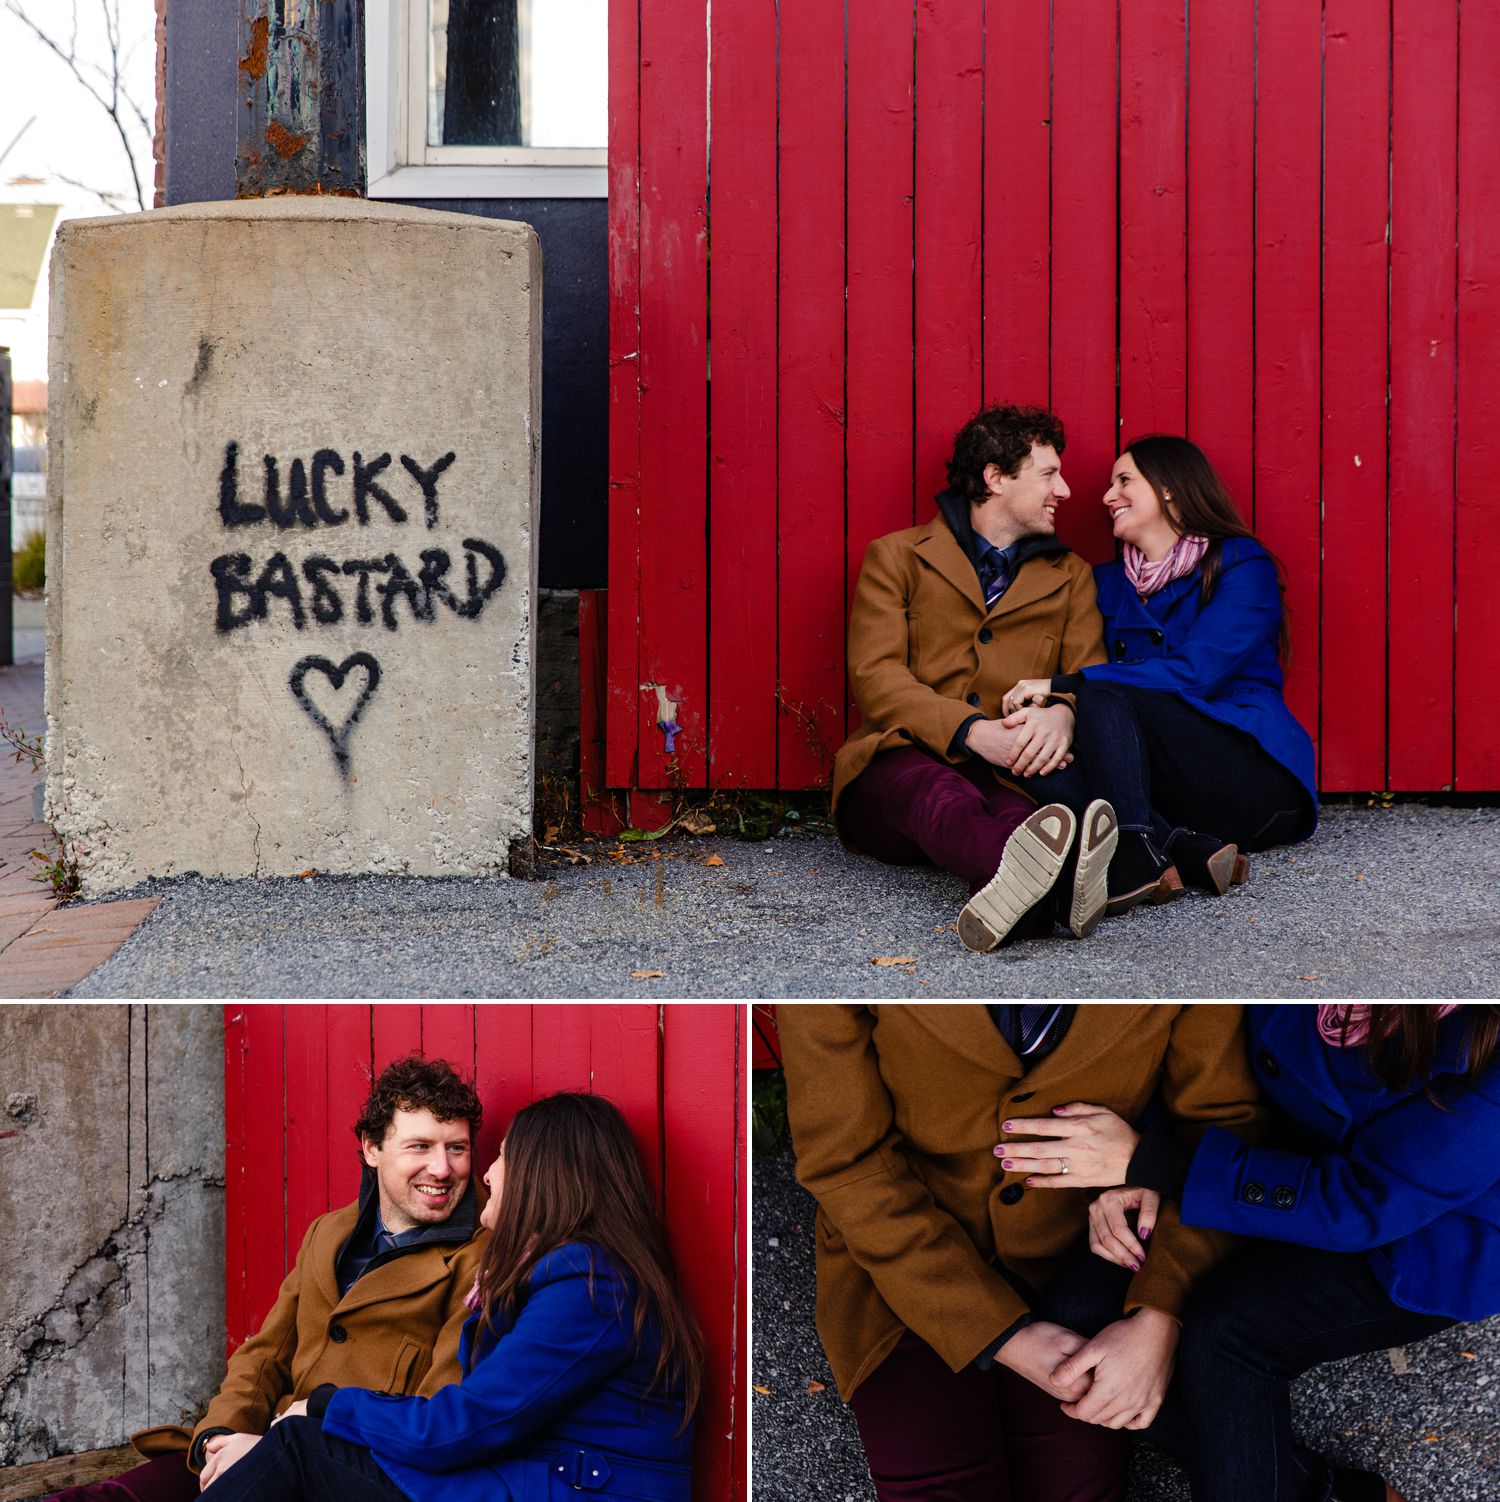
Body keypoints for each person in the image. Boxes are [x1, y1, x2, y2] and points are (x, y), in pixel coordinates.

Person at [1001, 1004, 1500, 1502]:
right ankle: (1313, 1493)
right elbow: (1186, 1031)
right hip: (1256, 1152)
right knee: (1080, 1314)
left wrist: (1156, 1163)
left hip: (1428, 1236)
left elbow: (1361, 1203)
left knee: (1228, 1334)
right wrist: (1146, 1162)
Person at [778, 1003, 1268, 1502]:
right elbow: (844, 1160)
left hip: (1089, 1261)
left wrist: (1162, 1312)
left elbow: (1223, 1127)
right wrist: (1001, 1334)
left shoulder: (1182, 952)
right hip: (903, 1266)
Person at [195, 1091, 703, 1502]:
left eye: (502, 1156)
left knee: (300, 1447)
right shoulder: (559, 1273)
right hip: (528, 1480)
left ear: (541, 1175)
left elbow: (460, 1424)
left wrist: (323, 1406)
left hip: (562, 1487)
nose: (486, 1174)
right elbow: (262, 1352)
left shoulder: (588, 1285)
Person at [51, 1055, 487, 1502]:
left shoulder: (480, 1257)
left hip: (344, 1469)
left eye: (457, 1148)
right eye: (420, 1147)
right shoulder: (330, 1231)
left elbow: (437, 1416)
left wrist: (274, 1450)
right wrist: (219, 1437)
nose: (442, 1168)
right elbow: (265, 1355)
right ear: (372, 1148)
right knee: (110, 1496)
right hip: (263, 1440)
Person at [834, 404, 1119, 953]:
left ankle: (1029, 901)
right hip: (898, 760)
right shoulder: (896, 558)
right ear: (994, 476)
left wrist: (1062, 712)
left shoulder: (1071, 577)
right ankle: (1061, 891)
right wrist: (971, 731)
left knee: (1026, 818)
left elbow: (1091, 673)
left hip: (1009, 771)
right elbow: (876, 675)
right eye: (1048, 474)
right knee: (938, 793)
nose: (1064, 489)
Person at [1001, 435, 1317, 912]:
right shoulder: (1104, 583)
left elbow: (1197, 673)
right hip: (1166, 788)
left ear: (1169, 488)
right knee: (1030, 746)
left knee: (1103, 691)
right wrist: (1048, 715)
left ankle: (1133, 848)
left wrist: (1070, 686)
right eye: (1110, 485)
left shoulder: (1239, 563)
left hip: (1252, 777)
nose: (1108, 496)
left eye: (1124, 480)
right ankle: (1179, 848)